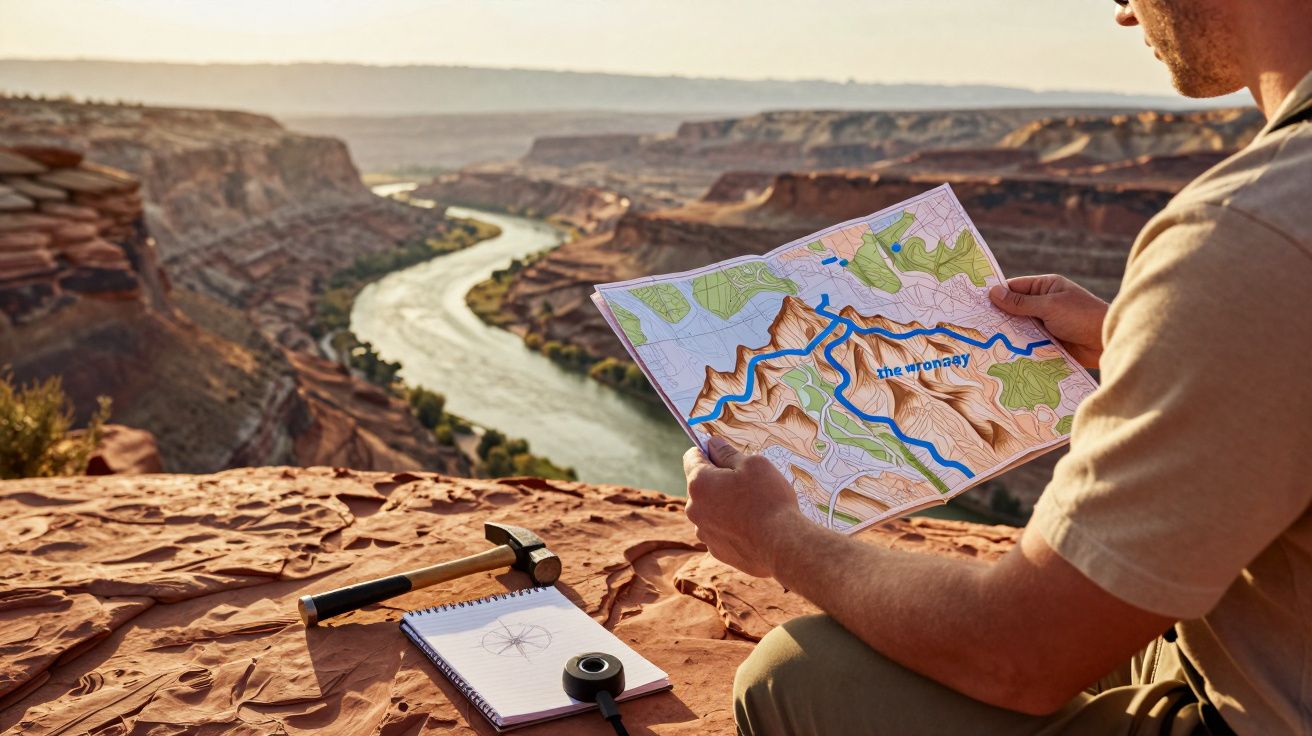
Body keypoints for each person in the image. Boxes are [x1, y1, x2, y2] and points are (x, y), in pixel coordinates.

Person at [681, 0, 1312, 733]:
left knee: (797, 673)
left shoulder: (1249, 231)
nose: (1122, 12)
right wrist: (1135, 341)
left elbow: (1018, 653)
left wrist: (779, 540)